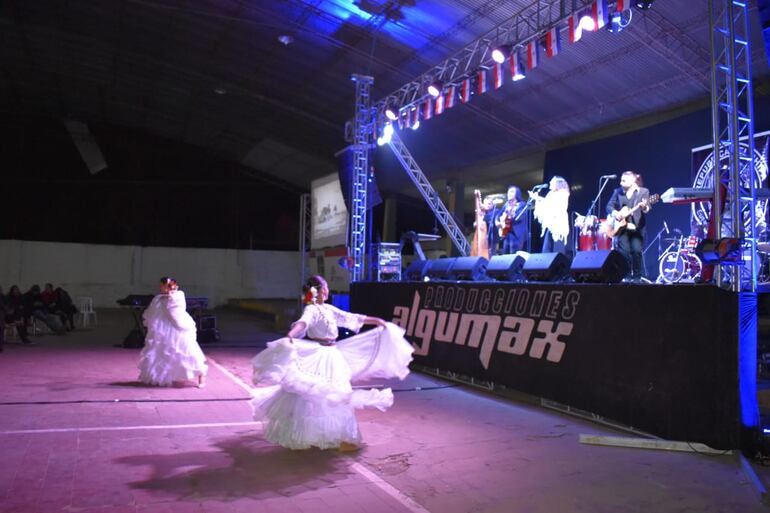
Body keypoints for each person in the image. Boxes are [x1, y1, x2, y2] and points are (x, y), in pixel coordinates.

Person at [251, 275, 413, 452]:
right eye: (325, 287)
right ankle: (316, 434)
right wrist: (291, 334)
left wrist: (376, 321)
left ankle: (338, 435)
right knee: (316, 396)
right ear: (318, 291)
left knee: (337, 395)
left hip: (333, 355)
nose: (327, 290)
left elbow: (349, 317)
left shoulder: (327, 308)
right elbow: (303, 323)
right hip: (320, 355)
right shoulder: (311, 310)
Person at [138, 277, 207, 388]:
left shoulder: (178, 295)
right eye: (161, 285)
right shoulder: (158, 298)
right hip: (162, 328)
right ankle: (160, 376)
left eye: (163, 285)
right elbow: (152, 313)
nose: (161, 288)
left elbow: (176, 310)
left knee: (186, 350)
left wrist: (171, 295)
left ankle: (201, 376)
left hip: (176, 327)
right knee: (161, 351)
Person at [606, 171, 652, 281]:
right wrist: (616, 213)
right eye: (621, 180)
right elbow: (609, 206)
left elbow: (647, 208)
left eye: (623, 180)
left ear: (632, 181)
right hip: (622, 227)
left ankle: (637, 277)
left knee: (636, 251)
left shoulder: (643, 192)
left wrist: (644, 207)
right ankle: (625, 276)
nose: (621, 183)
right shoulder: (617, 192)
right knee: (624, 253)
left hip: (637, 228)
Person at [532, 176, 571, 254]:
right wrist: (537, 199)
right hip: (551, 226)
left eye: (552, 181)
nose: (550, 183)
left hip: (559, 226)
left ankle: (560, 264)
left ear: (558, 183)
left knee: (557, 250)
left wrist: (538, 198)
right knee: (546, 249)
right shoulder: (551, 193)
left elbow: (552, 205)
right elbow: (546, 205)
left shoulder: (563, 193)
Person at [495, 185, 529, 255]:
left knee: (514, 255)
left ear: (517, 194)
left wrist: (511, 215)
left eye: (512, 192)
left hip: (517, 234)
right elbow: (498, 215)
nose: (509, 193)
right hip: (507, 233)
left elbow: (520, 218)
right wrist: (497, 222)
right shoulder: (506, 205)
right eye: (508, 192)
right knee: (505, 254)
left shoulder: (522, 205)